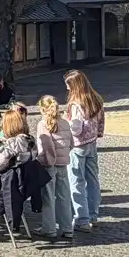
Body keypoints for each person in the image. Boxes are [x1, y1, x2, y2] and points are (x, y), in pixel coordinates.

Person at [64, 69, 106, 232]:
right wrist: (97, 133)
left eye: (68, 86)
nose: (67, 89)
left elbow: (76, 128)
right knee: (93, 180)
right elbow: (101, 121)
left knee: (76, 181)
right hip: (92, 143)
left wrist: (64, 124)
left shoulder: (76, 104)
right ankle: (93, 215)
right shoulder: (96, 99)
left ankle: (82, 219)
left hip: (77, 145)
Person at [34, 95, 75, 245]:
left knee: (48, 197)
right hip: (63, 163)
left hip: (49, 165)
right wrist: (64, 155)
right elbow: (71, 143)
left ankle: (49, 228)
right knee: (64, 196)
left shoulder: (42, 124)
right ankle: (67, 228)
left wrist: (47, 161)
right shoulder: (64, 123)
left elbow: (46, 146)